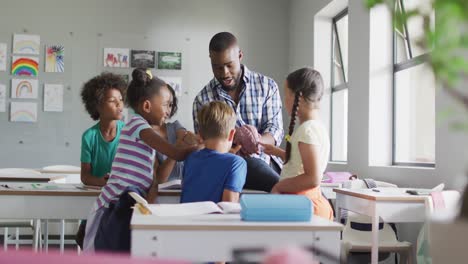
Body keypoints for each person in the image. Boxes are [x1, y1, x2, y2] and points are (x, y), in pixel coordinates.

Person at [83, 68, 198, 252]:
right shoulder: (138, 126)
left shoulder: (141, 128)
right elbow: (175, 153)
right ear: (146, 106)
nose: (169, 111)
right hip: (112, 206)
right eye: (166, 105)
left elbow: (154, 177)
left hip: (126, 203)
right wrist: (198, 146)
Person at [193, 32, 283, 192]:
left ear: (240, 56)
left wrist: (256, 142)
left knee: (259, 166)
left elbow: (275, 129)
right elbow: (205, 145)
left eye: (229, 65)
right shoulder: (203, 100)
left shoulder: (267, 86)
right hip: (224, 170)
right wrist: (234, 146)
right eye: (217, 67)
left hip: (266, 164)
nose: (224, 73)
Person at [260, 67, 333, 220]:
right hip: (306, 201)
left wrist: (280, 186)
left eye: (286, 95)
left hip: (303, 205)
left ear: (296, 98)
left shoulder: (307, 131)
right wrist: (278, 152)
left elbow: (313, 177)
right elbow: (301, 161)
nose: (284, 100)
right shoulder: (317, 127)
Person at [182, 101, 247, 203]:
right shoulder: (237, 163)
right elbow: (229, 206)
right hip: (214, 219)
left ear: (200, 135)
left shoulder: (191, 159)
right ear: (232, 134)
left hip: (185, 217)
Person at [80, 73, 126, 187]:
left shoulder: (128, 133)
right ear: (97, 106)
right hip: (95, 195)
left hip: (123, 193)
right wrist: (102, 182)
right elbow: (85, 176)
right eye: (112, 100)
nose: (119, 104)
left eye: (120, 99)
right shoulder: (89, 137)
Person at [152, 84, 198, 183]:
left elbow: (188, 139)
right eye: (165, 104)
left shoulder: (175, 126)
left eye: (171, 105)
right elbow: (159, 179)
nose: (168, 110)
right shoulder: (146, 136)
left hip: (184, 189)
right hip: (163, 194)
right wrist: (176, 150)